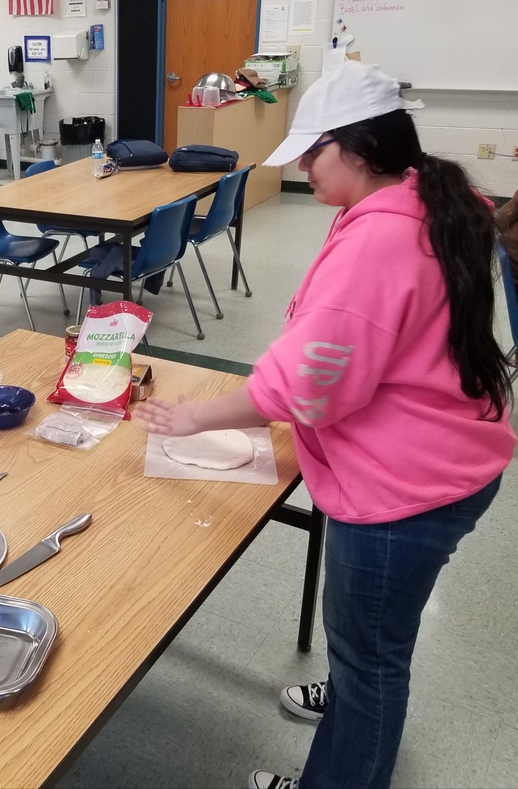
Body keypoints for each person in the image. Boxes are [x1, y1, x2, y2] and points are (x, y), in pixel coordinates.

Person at [138, 61, 516, 789]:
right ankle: (350, 698)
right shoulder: (435, 197)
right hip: (452, 457)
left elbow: (304, 382)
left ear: (361, 148)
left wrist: (191, 417)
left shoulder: (380, 240)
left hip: (404, 491)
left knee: (374, 662)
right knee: (373, 647)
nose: (305, 168)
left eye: (314, 152)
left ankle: (345, 751)